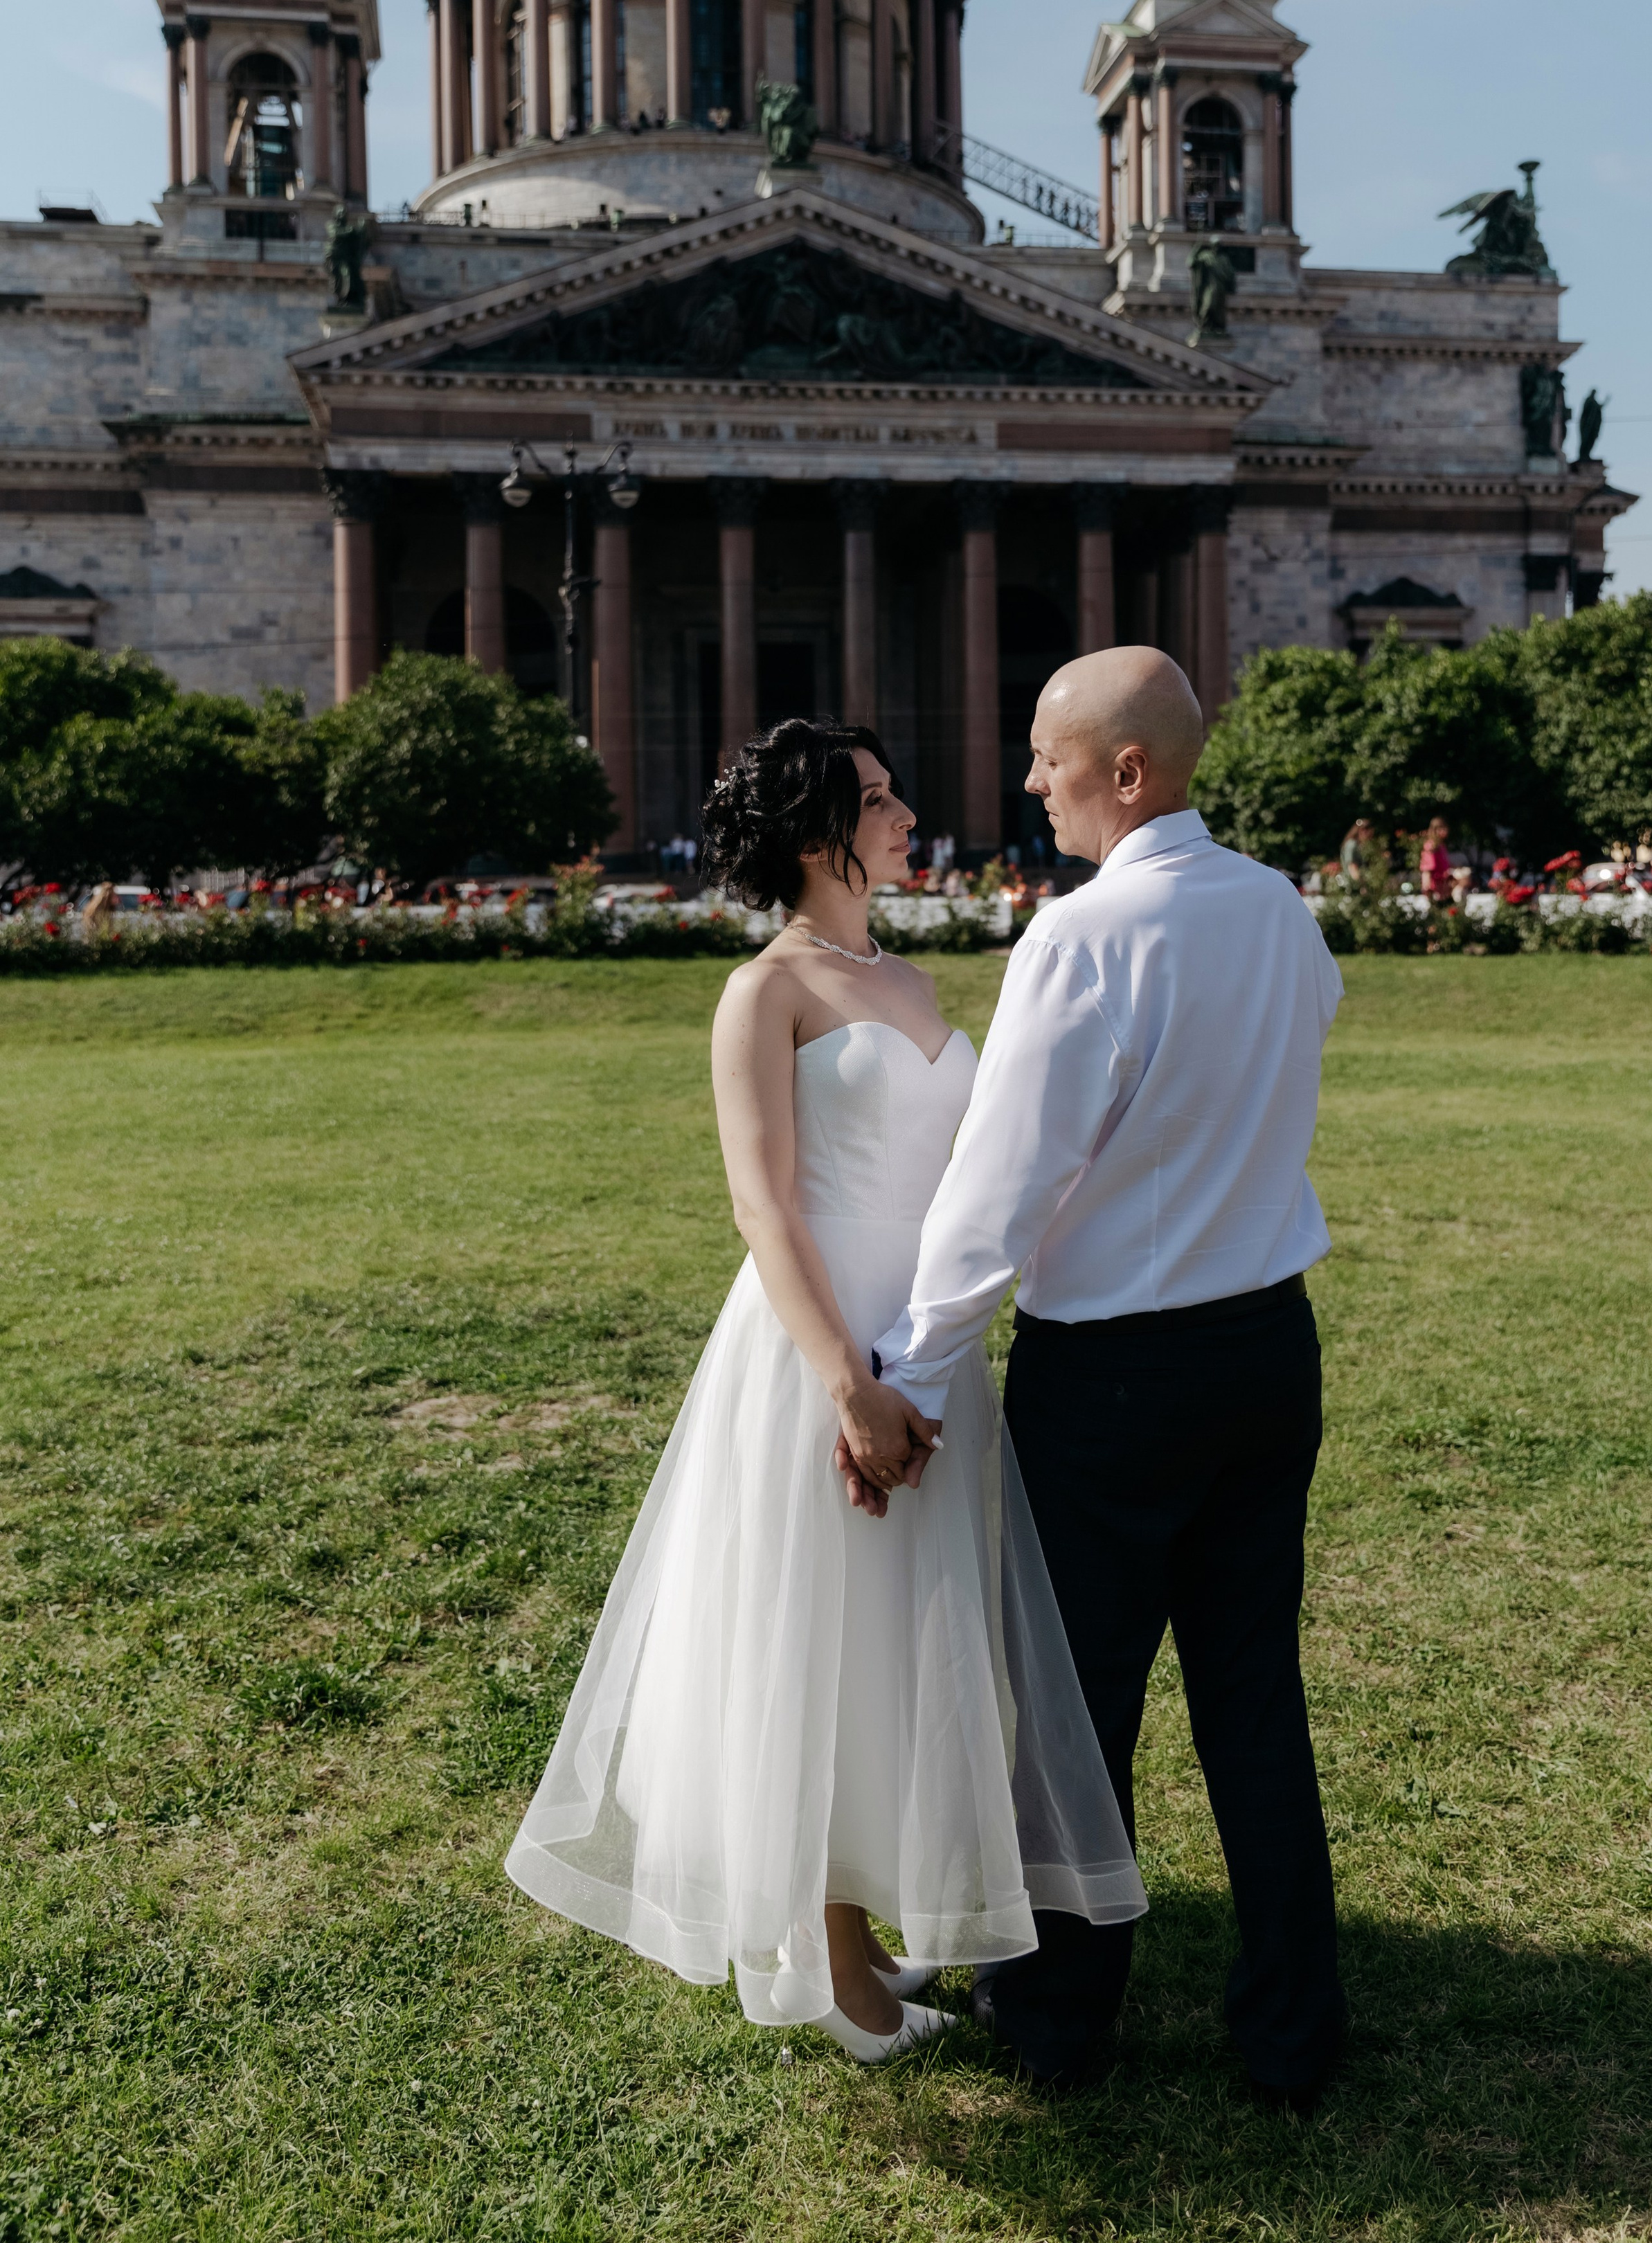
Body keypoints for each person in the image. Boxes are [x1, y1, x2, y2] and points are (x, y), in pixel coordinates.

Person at [506, 719, 1144, 2062]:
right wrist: (841, 1385)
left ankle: (858, 1919)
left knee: (897, 1646)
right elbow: (760, 1203)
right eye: (877, 798)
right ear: (815, 838)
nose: (907, 812)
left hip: (926, 1352)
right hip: (817, 1351)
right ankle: (832, 1966)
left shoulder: (906, 978)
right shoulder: (766, 991)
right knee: (816, 1645)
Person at [870, 648, 1347, 2106]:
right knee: (1252, 1699)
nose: (1028, 782)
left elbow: (995, 1194)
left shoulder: (1078, 941)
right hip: (1265, 1345)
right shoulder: (1276, 909)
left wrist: (911, 1374)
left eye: (1043, 755)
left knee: (1076, 1710)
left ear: (1122, 773)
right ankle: (1290, 2032)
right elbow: (1309, 1032)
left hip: (1118, 1379)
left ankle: (1062, 2020)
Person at [1419, 817, 1453, 903]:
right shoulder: (1431, 846)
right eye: (1441, 829)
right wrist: (1427, 887)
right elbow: (1427, 868)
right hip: (1434, 887)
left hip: (1443, 886)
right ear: (1434, 830)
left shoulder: (1441, 846)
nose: (1444, 831)